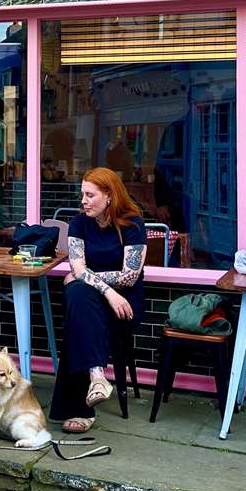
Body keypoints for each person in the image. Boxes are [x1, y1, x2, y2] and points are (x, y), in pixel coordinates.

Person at [49, 167, 148, 434]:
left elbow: (129, 277)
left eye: (90, 195)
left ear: (109, 196)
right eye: (82, 194)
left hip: (124, 306)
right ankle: (96, 376)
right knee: (79, 297)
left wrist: (94, 283)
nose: (83, 201)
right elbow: (78, 270)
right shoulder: (79, 223)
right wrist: (107, 290)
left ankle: (80, 406)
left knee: (78, 299)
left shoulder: (133, 224)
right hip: (96, 301)